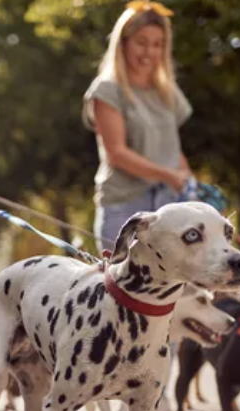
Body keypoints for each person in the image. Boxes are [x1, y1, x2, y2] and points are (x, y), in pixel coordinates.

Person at [84, 1, 192, 250]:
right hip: (125, 207)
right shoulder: (107, 91)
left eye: (157, 44)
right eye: (141, 42)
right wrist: (169, 175)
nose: (149, 52)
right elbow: (117, 153)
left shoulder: (167, 92)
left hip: (168, 205)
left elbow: (171, 148)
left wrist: (192, 185)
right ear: (123, 43)